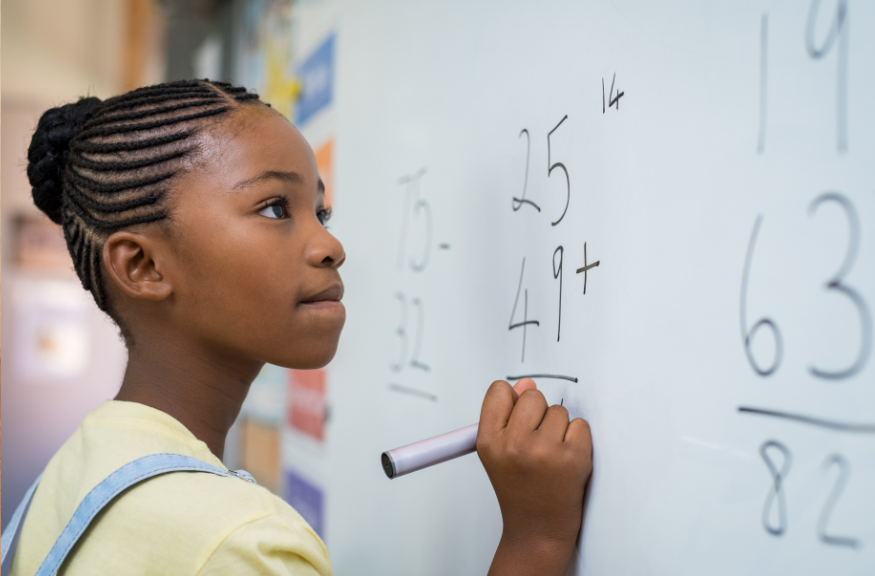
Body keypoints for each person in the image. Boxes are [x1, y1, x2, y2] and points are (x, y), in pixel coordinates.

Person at [9, 79, 593, 576]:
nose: (330, 245)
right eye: (273, 208)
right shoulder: (239, 543)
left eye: (321, 212)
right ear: (143, 265)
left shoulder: (77, 470)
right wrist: (534, 540)